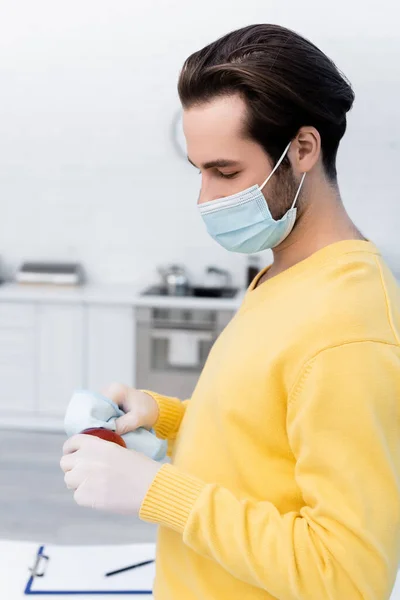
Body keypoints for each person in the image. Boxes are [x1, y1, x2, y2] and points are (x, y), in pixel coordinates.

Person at [60, 24, 400, 599]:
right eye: (200, 172)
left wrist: (157, 491)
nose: (206, 198)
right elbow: (267, 434)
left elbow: (347, 577)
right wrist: (164, 416)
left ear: (303, 149)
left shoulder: (347, 334)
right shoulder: (285, 275)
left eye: (226, 172)